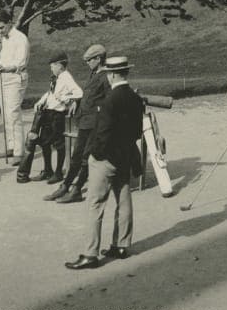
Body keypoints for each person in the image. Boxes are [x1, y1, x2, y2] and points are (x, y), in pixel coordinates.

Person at [65, 56, 145, 270]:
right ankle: (121, 246)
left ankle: (90, 255)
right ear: (125, 73)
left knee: (95, 204)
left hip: (106, 158)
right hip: (125, 156)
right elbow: (137, 132)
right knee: (124, 200)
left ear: (111, 74)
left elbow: (103, 134)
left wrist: (95, 155)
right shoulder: (135, 99)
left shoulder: (109, 100)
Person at [47, 43, 111, 202]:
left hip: (95, 124)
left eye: (90, 60)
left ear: (98, 58)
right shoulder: (94, 73)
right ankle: (65, 185)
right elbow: (88, 95)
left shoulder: (106, 76)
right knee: (76, 156)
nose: (87, 63)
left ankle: (76, 190)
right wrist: (77, 100)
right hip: (85, 121)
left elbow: (110, 101)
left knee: (85, 157)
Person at [17, 52, 82, 184]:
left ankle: (58, 172)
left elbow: (79, 92)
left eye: (53, 65)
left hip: (58, 115)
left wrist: (65, 99)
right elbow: (50, 93)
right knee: (45, 143)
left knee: (58, 144)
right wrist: (40, 101)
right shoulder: (56, 77)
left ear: (60, 65)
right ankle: (47, 170)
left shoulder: (66, 77)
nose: (51, 68)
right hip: (48, 113)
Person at [0, 10, 29, 159]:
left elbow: (20, 63)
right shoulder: (4, 39)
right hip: (1, 79)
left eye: (1, 27)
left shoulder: (21, 39)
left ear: (10, 23)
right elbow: (4, 59)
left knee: (13, 114)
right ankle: (11, 146)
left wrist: (6, 68)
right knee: (5, 115)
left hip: (15, 78)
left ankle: (19, 152)